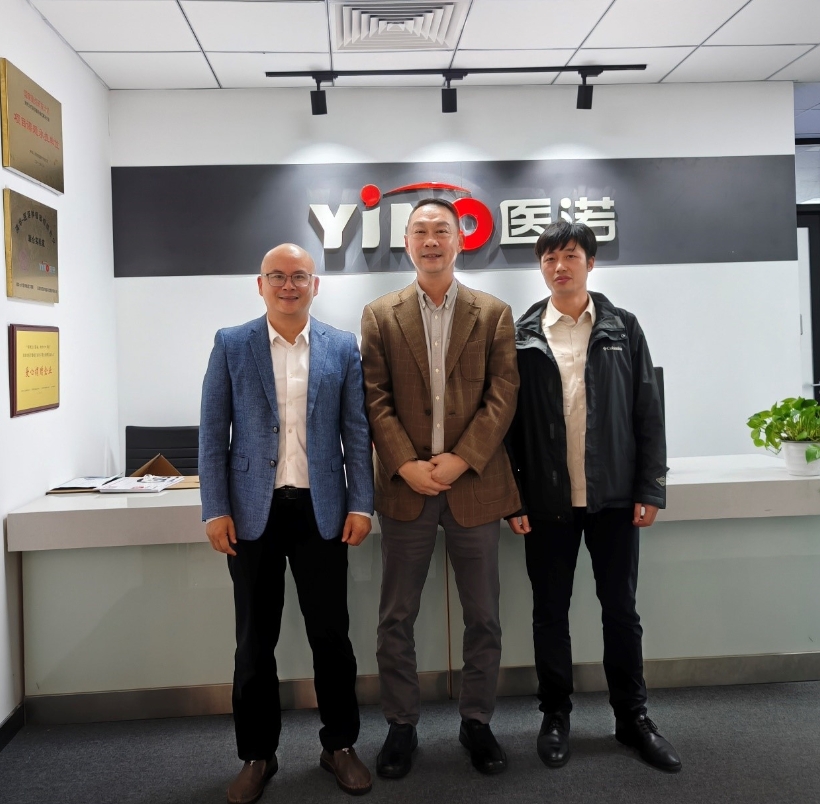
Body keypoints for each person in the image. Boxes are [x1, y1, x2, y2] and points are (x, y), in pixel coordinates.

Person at [199, 244, 375, 803]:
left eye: (299, 276)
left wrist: (361, 503)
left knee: (332, 636)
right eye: (277, 276)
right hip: (254, 513)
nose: (288, 285)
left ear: (315, 285)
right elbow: (212, 434)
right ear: (260, 284)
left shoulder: (341, 346)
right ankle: (258, 754)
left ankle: (339, 745)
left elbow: (357, 433)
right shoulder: (232, 344)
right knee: (254, 641)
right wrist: (215, 508)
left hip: (322, 511)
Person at [506, 220, 681, 773]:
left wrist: (650, 486)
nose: (560, 266)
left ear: (590, 262)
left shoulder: (622, 327)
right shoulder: (521, 333)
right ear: (540, 267)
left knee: (621, 612)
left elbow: (647, 410)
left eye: (571, 256)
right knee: (549, 614)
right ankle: (555, 716)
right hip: (546, 502)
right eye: (549, 258)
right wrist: (514, 497)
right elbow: (506, 426)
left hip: (614, 499)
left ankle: (632, 717)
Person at [360, 198, 520, 778]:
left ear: (460, 240)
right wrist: (405, 464)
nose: (431, 240)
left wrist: (460, 460)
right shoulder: (380, 314)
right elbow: (374, 397)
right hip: (406, 489)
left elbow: (503, 395)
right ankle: (401, 726)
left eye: (442, 231)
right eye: (421, 231)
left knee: (484, 617)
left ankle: (477, 721)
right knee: (395, 617)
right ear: (407, 242)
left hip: (474, 485)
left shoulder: (493, 313)